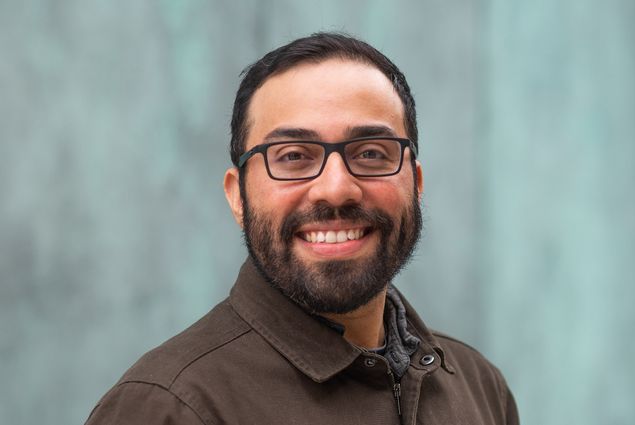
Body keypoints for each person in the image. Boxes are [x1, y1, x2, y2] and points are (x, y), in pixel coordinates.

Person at [85, 32, 519, 424]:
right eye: (293, 156)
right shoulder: (167, 409)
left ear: (416, 183)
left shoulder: (479, 389)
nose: (336, 189)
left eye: (371, 153)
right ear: (238, 196)